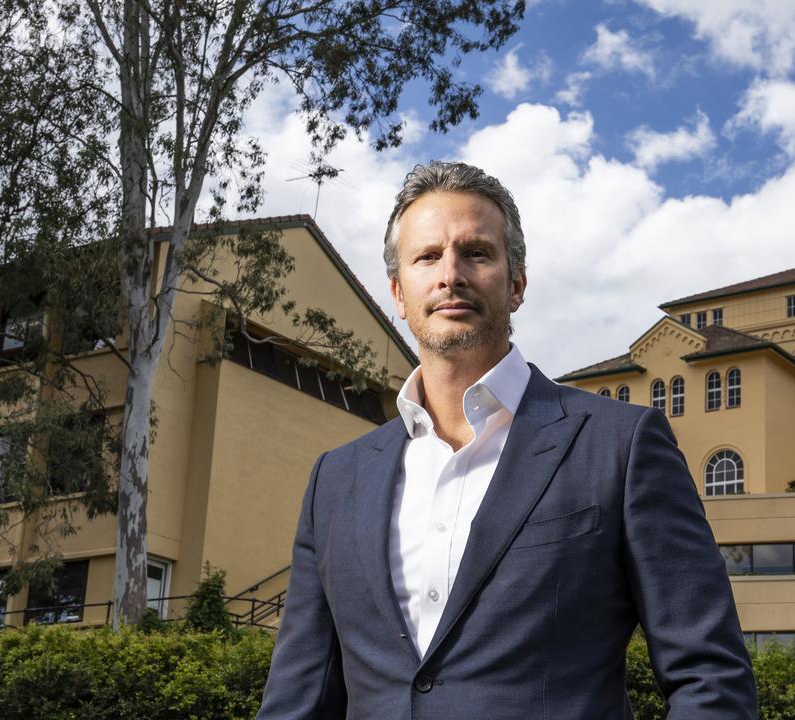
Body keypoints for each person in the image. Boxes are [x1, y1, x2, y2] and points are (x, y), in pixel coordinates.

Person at [257, 161, 756, 719]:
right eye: (427, 257)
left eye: (476, 253)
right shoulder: (336, 481)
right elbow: (296, 701)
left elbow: (711, 680)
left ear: (516, 283)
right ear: (398, 293)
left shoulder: (621, 447)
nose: (451, 274)